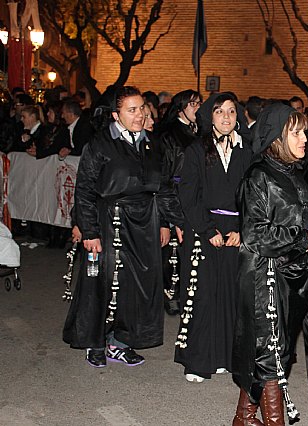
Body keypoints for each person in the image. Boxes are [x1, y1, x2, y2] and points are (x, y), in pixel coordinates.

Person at [63, 86, 184, 368]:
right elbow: (85, 191)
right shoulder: (100, 145)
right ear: (117, 115)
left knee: (137, 285)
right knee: (102, 281)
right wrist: (89, 231)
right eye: (132, 110)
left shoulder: (154, 144)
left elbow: (165, 189)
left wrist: (171, 221)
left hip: (144, 224)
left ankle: (120, 342)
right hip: (109, 222)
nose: (140, 114)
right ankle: (95, 341)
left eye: (142, 108)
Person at [232, 103, 308, 425]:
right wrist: (300, 238)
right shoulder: (259, 176)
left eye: (304, 131)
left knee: (278, 350)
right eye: (296, 132)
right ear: (276, 137)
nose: (305, 137)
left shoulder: (294, 172)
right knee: (270, 352)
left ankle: (244, 417)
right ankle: (274, 421)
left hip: (294, 276)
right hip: (264, 274)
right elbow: (254, 232)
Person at [174, 92, 252, 382]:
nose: (226, 118)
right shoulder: (196, 150)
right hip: (203, 228)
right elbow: (188, 194)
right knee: (203, 295)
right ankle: (198, 361)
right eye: (220, 112)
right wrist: (207, 230)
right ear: (210, 116)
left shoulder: (246, 151)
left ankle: (224, 356)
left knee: (230, 296)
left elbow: (253, 196)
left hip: (235, 231)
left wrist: (243, 230)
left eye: (232, 112)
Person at [158, 90, 202, 315]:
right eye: (193, 104)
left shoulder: (200, 130)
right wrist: (165, 220)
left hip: (195, 196)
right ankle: (170, 293)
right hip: (175, 197)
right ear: (182, 107)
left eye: (199, 103)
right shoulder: (169, 135)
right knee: (172, 252)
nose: (197, 108)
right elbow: (164, 177)